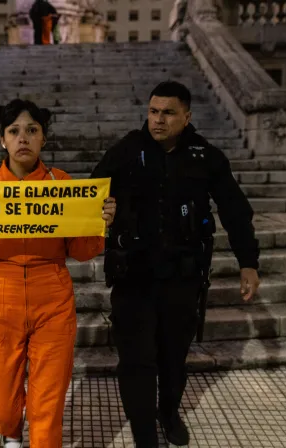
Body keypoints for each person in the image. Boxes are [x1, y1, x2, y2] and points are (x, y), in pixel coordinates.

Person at [0, 99, 117, 448]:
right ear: (3, 140)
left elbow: (79, 250)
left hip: (53, 297)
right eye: (14, 131)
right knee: (0, 395)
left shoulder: (62, 185)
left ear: (43, 138)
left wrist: (99, 224)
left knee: (49, 394)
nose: (23, 138)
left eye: (32, 130)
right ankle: (10, 432)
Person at [91, 81, 261, 448]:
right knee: (136, 360)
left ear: (186, 116)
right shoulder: (127, 150)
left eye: (168, 113)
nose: (158, 119)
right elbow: (91, 194)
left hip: (182, 279)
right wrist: (105, 209)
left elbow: (234, 209)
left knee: (172, 360)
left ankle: (168, 412)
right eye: (153, 111)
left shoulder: (205, 157)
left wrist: (248, 262)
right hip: (133, 276)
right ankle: (145, 436)